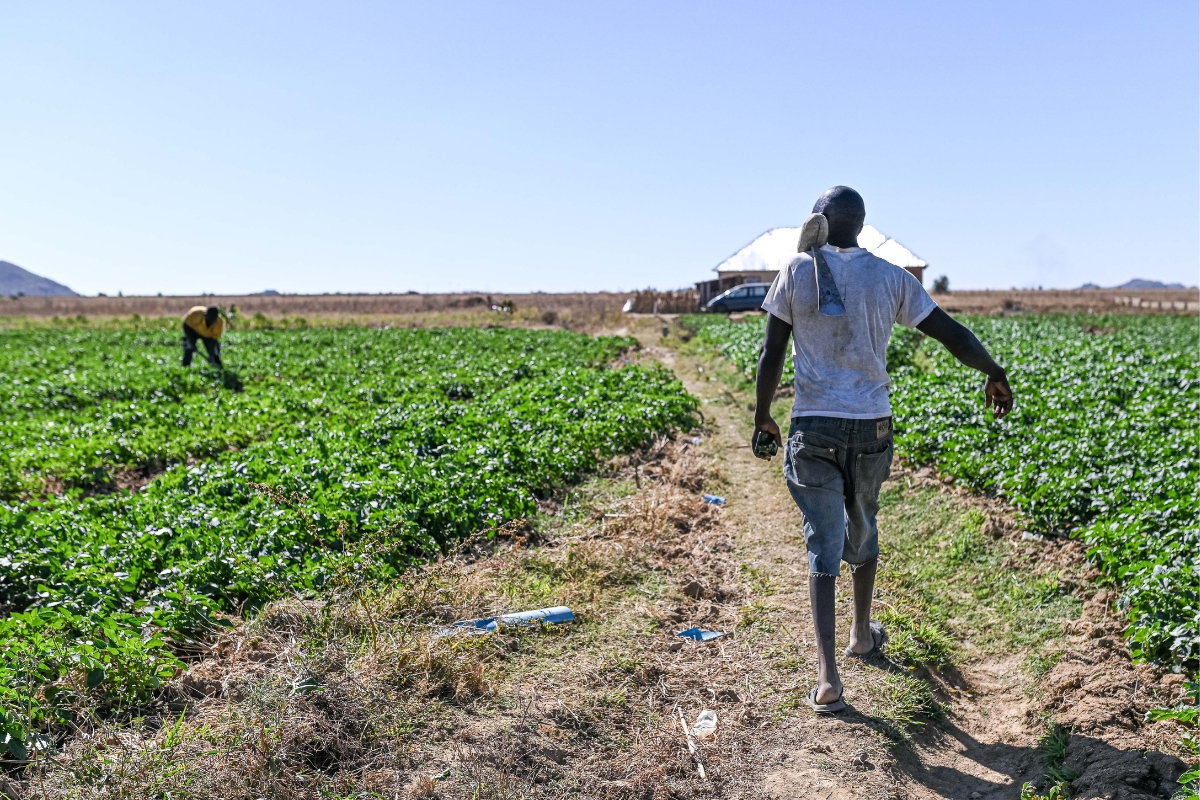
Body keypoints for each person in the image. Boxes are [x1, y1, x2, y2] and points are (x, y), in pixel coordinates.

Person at [753, 186, 1013, 713]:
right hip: (870, 425)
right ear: (863, 225)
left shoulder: (796, 271)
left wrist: (762, 416)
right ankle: (862, 635)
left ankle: (828, 679)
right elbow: (952, 334)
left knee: (822, 542)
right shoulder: (891, 276)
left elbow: (772, 351)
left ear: (818, 222)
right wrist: (993, 370)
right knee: (863, 522)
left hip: (814, 426)